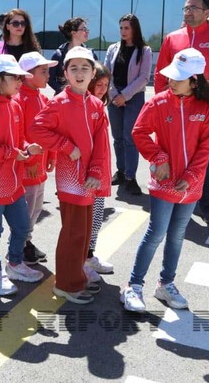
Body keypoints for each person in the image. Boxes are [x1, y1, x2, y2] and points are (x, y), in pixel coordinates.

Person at [121, 48, 209, 312]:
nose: (171, 81)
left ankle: (166, 284)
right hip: (164, 182)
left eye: (179, 78)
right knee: (156, 233)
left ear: (195, 81)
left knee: (177, 235)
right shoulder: (158, 102)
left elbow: (205, 148)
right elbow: (139, 132)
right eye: (171, 76)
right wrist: (158, 156)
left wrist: (192, 176)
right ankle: (134, 286)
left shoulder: (205, 108)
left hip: (191, 186)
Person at [153, 0, 209, 223]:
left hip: (204, 106)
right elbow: (161, 72)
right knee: (173, 150)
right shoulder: (172, 38)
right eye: (186, 8)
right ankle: (174, 194)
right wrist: (159, 102)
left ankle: (206, 202)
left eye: (194, 8)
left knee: (205, 155)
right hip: (174, 104)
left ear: (206, 12)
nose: (188, 12)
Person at [32, 48, 110, 304]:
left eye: (84, 68)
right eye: (73, 68)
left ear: (93, 73)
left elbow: (101, 144)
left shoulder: (97, 104)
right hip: (71, 180)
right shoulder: (58, 102)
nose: (79, 73)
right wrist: (66, 147)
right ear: (64, 73)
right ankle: (66, 284)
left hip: (90, 180)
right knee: (74, 233)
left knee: (84, 234)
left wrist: (97, 171)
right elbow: (37, 129)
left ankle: (76, 277)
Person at [0, 54, 45, 296]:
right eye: (15, 77)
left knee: (22, 227)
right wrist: (13, 153)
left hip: (13, 181)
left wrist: (26, 148)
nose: (20, 81)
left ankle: (14, 264)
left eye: (20, 77)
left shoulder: (14, 105)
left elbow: (20, 137)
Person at [104, 14, 154, 197]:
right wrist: (114, 94)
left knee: (129, 138)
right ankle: (121, 171)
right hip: (113, 96)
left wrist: (125, 95)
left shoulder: (144, 50)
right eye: (121, 28)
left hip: (133, 98)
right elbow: (105, 73)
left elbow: (144, 77)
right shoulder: (113, 48)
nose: (123, 31)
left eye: (127, 28)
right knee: (117, 137)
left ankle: (131, 177)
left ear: (134, 29)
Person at [15, 52, 58, 265]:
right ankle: (20, 245)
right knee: (27, 207)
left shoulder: (43, 98)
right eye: (43, 72)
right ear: (28, 75)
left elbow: (49, 131)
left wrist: (52, 155)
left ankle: (26, 241)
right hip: (27, 165)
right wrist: (30, 160)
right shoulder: (19, 99)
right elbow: (19, 134)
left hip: (40, 165)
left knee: (37, 206)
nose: (48, 75)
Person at [84, 64, 115, 281]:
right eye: (99, 84)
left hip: (100, 169)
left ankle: (89, 254)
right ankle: (82, 259)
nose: (103, 89)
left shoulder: (99, 105)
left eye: (106, 85)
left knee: (95, 219)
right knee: (84, 221)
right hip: (88, 172)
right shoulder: (84, 105)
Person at [49, 17, 96, 93]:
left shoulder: (91, 54)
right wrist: (64, 91)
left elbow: (96, 77)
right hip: (63, 99)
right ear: (73, 33)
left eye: (87, 30)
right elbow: (50, 79)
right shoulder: (58, 55)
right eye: (84, 29)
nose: (87, 32)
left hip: (84, 97)